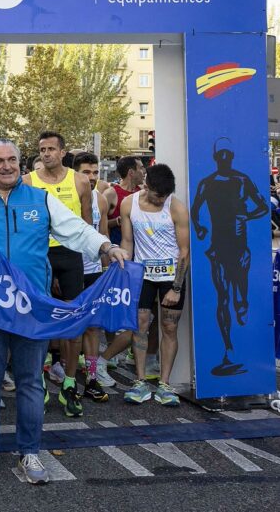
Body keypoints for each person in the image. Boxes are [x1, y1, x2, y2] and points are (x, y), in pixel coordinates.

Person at [0, 138, 128, 484]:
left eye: (12, 159)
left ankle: (29, 452)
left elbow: (75, 230)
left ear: (20, 162)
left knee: (30, 382)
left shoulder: (40, 198)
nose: (6, 166)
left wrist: (105, 245)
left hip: (31, 307)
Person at [25, 131, 93, 418]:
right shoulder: (29, 181)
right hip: (40, 255)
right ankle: (38, 379)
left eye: (52, 148)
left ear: (63, 152)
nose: (46, 153)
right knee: (38, 318)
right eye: (42, 149)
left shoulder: (80, 181)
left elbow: (87, 224)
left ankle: (68, 382)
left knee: (73, 320)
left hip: (71, 255)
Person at [191, 139, 269, 376]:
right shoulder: (207, 183)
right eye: (220, 154)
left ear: (232, 155)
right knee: (222, 297)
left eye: (228, 154)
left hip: (240, 246)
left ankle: (242, 304)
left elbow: (263, 206)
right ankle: (229, 349)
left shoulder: (242, 179)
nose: (224, 158)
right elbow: (195, 210)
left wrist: (247, 216)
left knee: (239, 297)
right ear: (216, 157)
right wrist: (200, 228)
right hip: (217, 248)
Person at [121, 164, 191, 406]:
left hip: (172, 277)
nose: (161, 199)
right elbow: (127, 242)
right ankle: (140, 381)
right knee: (140, 326)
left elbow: (184, 252)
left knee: (169, 328)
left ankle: (165, 383)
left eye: (165, 195)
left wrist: (177, 287)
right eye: (157, 195)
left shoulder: (177, 207)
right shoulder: (128, 204)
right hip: (142, 275)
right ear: (146, 186)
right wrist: (125, 274)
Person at [72, 152, 113, 402]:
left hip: (94, 269)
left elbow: (104, 232)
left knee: (93, 326)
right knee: (73, 327)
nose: (92, 177)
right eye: (86, 172)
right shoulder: (66, 196)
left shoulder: (100, 198)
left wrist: (107, 268)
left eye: (95, 172)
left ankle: (91, 377)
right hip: (70, 268)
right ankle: (63, 376)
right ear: (77, 174)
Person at [108, 156, 145, 245]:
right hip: (119, 250)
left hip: (139, 251)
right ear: (131, 172)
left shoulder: (142, 192)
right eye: (141, 168)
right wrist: (118, 221)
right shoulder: (111, 194)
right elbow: (98, 223)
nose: (144, 172)